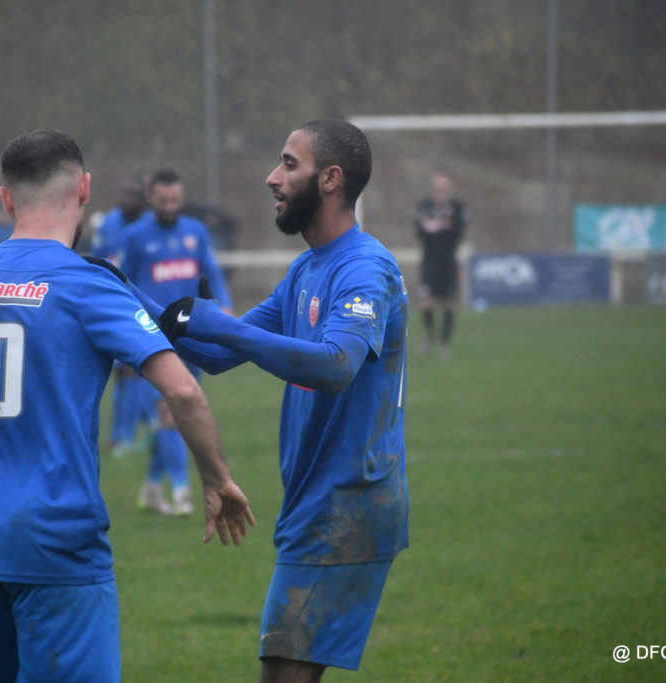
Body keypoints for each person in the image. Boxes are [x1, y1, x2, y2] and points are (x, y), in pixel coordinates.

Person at [0, 129, 254, 683]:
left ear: (6, 199)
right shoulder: (86, 282)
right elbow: (182, 389)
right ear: (84, 189)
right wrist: (216, 478)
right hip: (52, 538)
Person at [133, 119, 408, 681]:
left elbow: (336, 364)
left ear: (330, 179)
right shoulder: (306, 268)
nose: (271, 178)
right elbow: (218, 353)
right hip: (314, 503)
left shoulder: (364, 267)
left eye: (288, 164)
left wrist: (223, 326)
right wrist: (118, 291)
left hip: (347, 503)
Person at [118, 169, 233, 516]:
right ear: (150, 198)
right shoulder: (135, 237)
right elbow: (124, 284)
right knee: (168, 413)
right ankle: (182, 492)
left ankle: (152, 486)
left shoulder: (195, 232)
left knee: (181, 415)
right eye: (163, 200)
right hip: (154, 339)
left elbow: (211, 272)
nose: (169, 206)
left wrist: (224, 306)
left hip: (192, 336)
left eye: (174, 200)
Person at [88, 175, 153, 460]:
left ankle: (124, 436)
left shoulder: (150, 226)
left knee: (131, 371)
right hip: (110, 303)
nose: (125, 200)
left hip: (141, 307)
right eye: (123, 194)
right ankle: (139, 428)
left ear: (143, 199)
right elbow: (97, 259)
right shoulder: (109, 224)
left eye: (132, 195)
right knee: (120, 375)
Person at [413, 168, 468, 358]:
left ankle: (445, 344)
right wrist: (436, 228)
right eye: (438, 184)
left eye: (444, 184)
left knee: (449, 304)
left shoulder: (457, 208)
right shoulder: (425, 206)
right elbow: (419, 230)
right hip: (429, 262)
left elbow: (458, 231)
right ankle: (430, 334)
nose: (441, 188)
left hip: (448, 262)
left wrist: (438, 227)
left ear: (449, 186)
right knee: (425, 303)